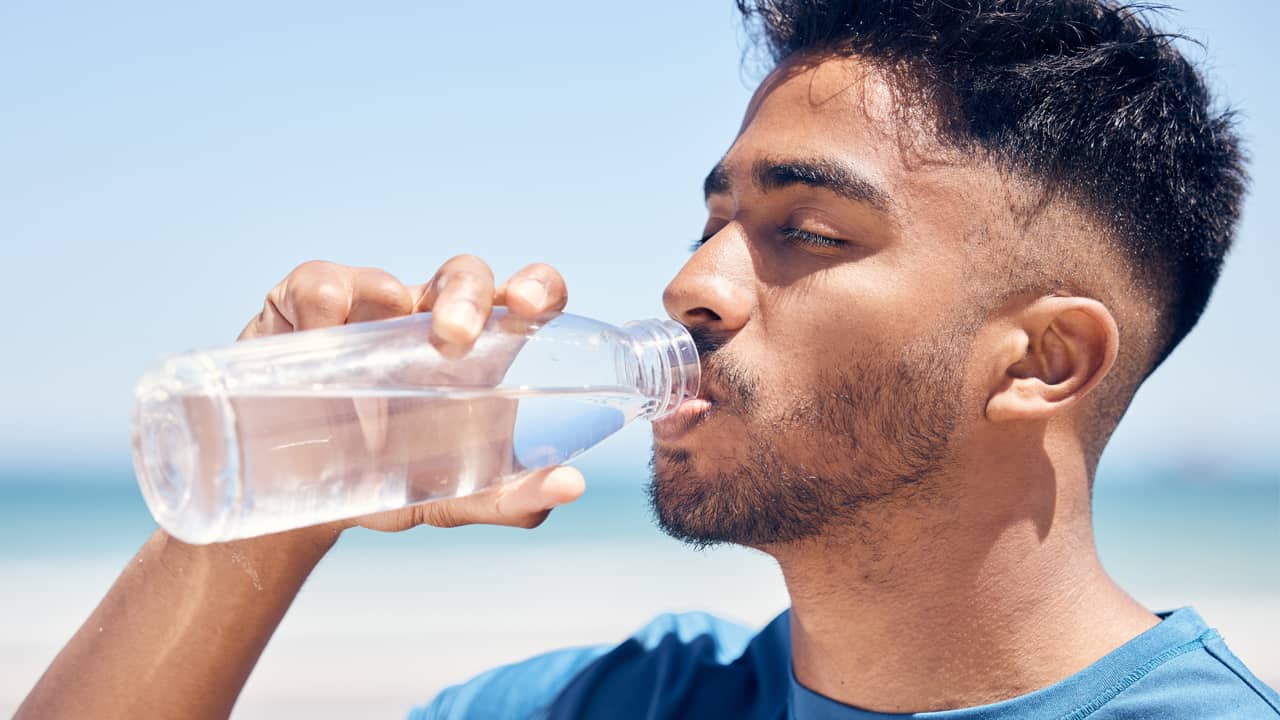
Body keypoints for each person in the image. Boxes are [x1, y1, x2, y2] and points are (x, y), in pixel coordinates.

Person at [17, 1, 1280, 718]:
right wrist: (266, 519)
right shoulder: (615, 705)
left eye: (804, 230)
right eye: (713, 220)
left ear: (1043, 360)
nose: (690, 286)